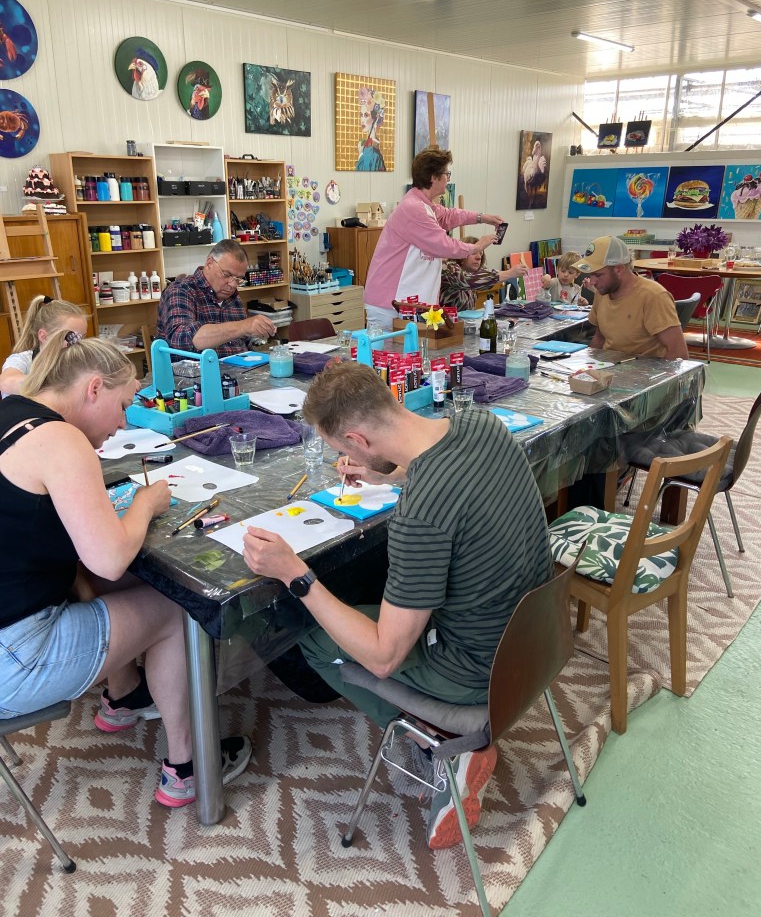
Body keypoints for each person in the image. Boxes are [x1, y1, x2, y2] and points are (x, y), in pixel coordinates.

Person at [241, 362, 552, 850]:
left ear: (357, 439)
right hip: (536, 637)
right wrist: (386, 474)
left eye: (343, 449)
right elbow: (447, 477)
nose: (345, 458)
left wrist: (294, 573)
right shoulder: (481, 424)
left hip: (479, 673)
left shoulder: (419, 518)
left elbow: (384, 657)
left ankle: (436, 742)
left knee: (313, 635)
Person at [0, 334, 251, 806]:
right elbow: (110, 559)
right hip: (14, 659)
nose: (122, 422)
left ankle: (124, 699)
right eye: (121, 406)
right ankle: (189, 767)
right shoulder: (61, 439)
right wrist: (144, 504)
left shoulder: (12, 411)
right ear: (94, 388)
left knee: (110, 579)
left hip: (11, 625)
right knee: (178, 604)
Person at [363, 149, 504, 330]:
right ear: (433, 177)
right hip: (389, 303)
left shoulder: (424, 205)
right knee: (391, 348)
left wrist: (483, 218)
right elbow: (443, 245)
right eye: (446, 174)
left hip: (410, 302)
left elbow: (449, 216)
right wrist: (476, 247)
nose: (448, 179)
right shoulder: (413, 208)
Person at [156, 240, 277, 358]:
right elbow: (181, 339)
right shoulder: (181, 290)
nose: (233, 285)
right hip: (197, 370)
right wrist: (243, 326)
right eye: (227, 275)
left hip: (238, 368)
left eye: (238, 279)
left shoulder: (232, 296)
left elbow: (243, 345)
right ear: (209, 264)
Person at [575, 236, 688, 359]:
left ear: (618, 269)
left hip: (645, 369)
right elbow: (600, 338)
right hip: (609, 366)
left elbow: (679, 354)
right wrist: (588, 365)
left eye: (598, 275)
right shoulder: (603, 292)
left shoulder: (653, 296)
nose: (592, 282)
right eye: (591, 275)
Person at [0, 295, 87, 397]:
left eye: (83, 337)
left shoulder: (76, 361)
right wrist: (60, 387)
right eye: (72, 338)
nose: (79, 345)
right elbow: (6, 382)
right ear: (44, 336)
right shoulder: (23, 361)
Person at [439, 236, 528, 312]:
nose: (479, 257)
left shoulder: (472, 272)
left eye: (481, 253)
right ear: (462, 252)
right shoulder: (448, 268)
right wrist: (509, 273)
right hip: (445, 325)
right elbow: (468, 280)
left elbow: (485, 280)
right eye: (474, 253)